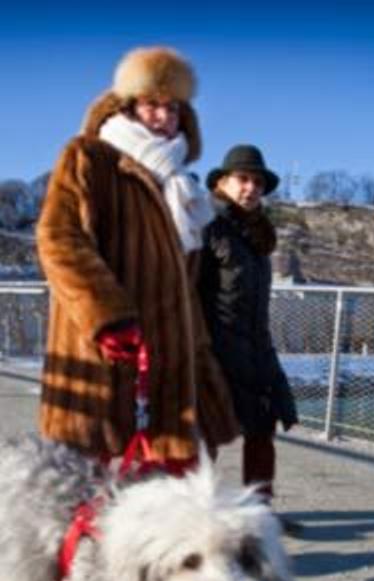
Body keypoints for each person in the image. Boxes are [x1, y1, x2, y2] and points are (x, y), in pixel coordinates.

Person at [37, 45, 238, 474]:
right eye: (152, 105)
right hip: (107, 351)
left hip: (174, 360)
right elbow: (59, 238)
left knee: (173, 486)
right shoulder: (89, 158)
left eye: (173, 108)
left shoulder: (182, 183)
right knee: (96, 485)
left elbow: (187, 280)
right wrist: (108, 317)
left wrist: (201, 348)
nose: (164, 117)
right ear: (128, 106)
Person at [199, 145, 299, 510]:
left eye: (257, 181)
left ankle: (259, 513)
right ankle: (198, 514)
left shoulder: (258, 237)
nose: (251, 187)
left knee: (263, 426)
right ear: (222, 182)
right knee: (204, 436)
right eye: (242, 179)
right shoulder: (206, 225)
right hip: (213, 349)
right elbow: (188, 291)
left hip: (256, 348)